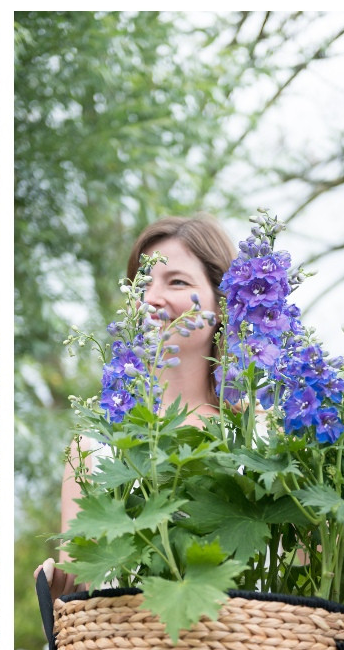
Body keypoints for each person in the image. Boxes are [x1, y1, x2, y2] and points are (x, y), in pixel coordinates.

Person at [34, 214, 236, 600]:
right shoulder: (95, 444)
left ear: (222, 302)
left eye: (176, 281)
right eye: (141, 285)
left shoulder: (260, 436)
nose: (151, 298)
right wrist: (57, 595)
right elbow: (76, 598)